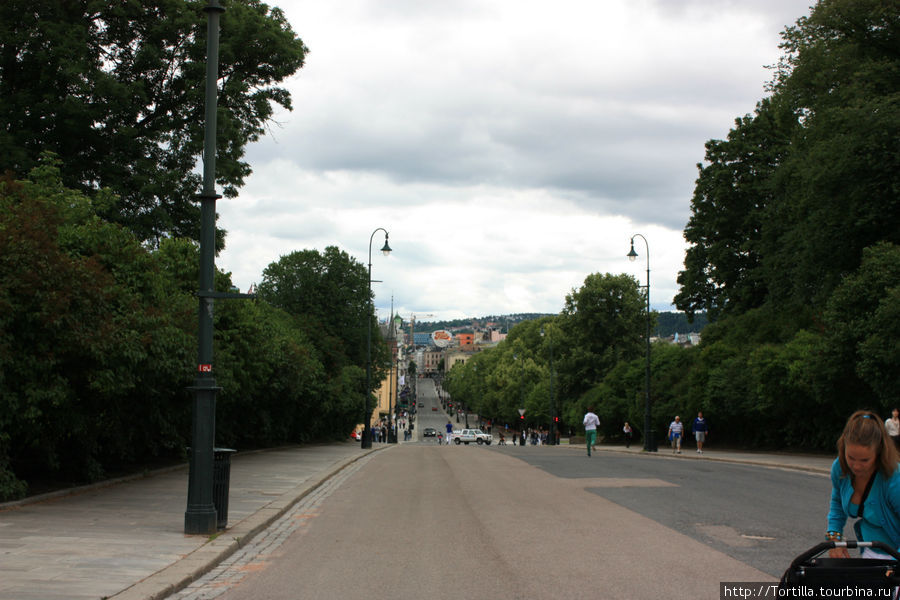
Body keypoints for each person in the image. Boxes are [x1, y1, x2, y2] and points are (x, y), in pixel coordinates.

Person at [826, 410, 900, 560]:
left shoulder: (893, 477)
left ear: (879, 452)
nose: (856, 466)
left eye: (865, 460)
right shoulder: (839, 468)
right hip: (871, 553)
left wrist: (895, 566)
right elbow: (838, 504)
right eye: (851, 457)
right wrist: (834, 540)